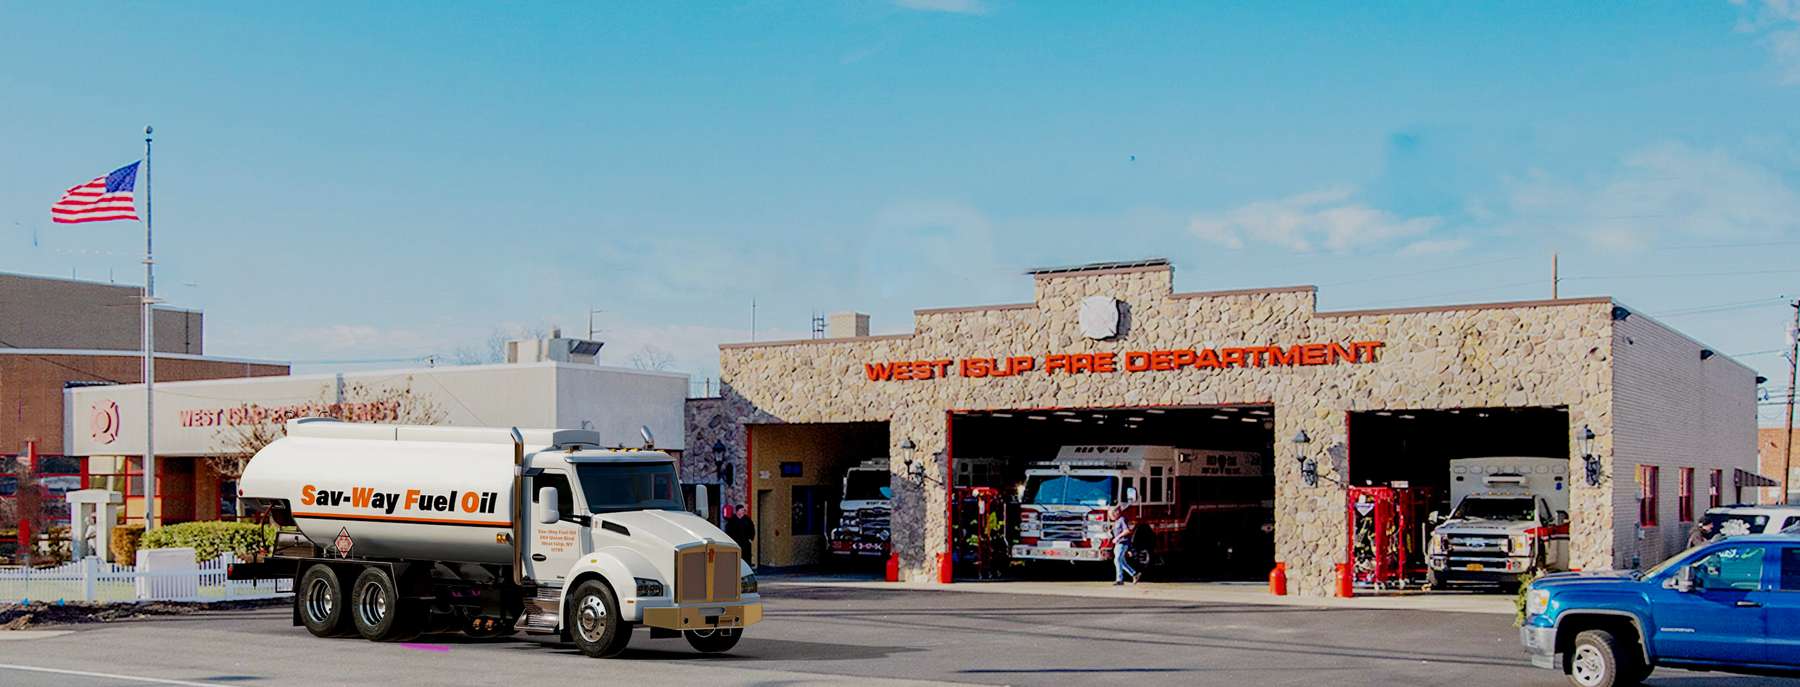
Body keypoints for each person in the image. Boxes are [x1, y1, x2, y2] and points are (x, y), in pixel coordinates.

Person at [1112, 506, 1140, 585]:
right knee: (1121, 562)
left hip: (1122, 543)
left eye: (1114, 512)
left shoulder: (1122, 520)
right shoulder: (1116, 521)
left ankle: (1119, 579)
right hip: (1118, 544)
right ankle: (1134, 574)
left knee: (1117, 560)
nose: (1112, 514)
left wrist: (1117, 537)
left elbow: (1127, 530)